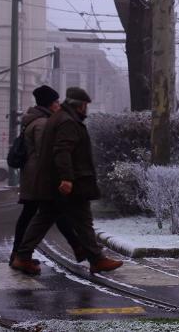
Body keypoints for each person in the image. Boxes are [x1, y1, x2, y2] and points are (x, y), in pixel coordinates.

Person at [11, 87, 123, 276]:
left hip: (55, 181)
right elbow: (62, 151)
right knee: (83, 220)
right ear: (81, 105)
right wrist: (66, 178)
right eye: (86, 105)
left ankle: (22, 256)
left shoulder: (59, 118)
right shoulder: (67, 121)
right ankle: (96, 259)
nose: (86, 109)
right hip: (70, 182)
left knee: (44, 218)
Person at [10, 85, 86, 266]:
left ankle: (19, 254)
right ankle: (21, 255)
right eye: (56, 102)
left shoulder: (33, 120)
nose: (59, 105)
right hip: (40, 177)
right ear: (50, 104)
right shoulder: (43, 124)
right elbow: (48, 153)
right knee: (51, 212)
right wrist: (62, 173)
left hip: (33, 176)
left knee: (41, 213)